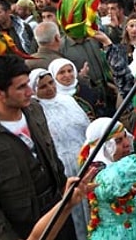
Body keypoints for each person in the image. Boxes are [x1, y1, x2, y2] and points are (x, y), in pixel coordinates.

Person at [0, 55, 76, 240]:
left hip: (58, 212)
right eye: (21, 87)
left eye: (27, 84)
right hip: (24, 227)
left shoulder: (34, 110)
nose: (30, 92)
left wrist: (66, 193)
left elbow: (52, 156)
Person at [77, 118, 136, 240]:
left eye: (125, 137)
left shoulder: (122, 161)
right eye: (118, 141)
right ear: (104, 148)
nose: (127, 143)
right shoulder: (95, 171)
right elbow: (114, 180)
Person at [28, 68, 90, 240]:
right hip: (63, 167)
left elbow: (85, 126)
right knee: (74, 206)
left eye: (51, 83)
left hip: (83, 158)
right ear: (34, 90)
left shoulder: (68, 100)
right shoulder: (35, 111)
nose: (49, 88)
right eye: (42, 86)